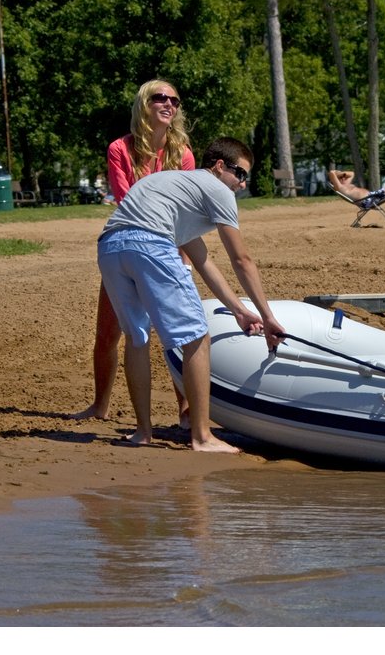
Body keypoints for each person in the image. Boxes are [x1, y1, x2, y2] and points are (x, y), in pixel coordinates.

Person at [97, 136, 284, 452]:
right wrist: (268, 316)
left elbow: (202, 260)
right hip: (148, 242)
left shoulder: (177, 187)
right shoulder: (217, 190)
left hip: (110, 246)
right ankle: (202, 436)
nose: (242, 183)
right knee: (197, 337)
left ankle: (143, 433)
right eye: (240, 174)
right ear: (220, 166)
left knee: (137, 337)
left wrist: (239, 310)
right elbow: (241, 260)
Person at [71, 79, 195, 424]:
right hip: (126, 246)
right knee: (107, 334)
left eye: (174, 100)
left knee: (176, 335)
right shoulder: (119, 150)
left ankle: (185, 409)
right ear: (145, 104)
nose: (169, 104)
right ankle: (100, 405)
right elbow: (126, 202)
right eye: (160, 98)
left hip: (168, 249)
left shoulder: (182, 154)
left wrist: (181, 257)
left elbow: (184, 210)